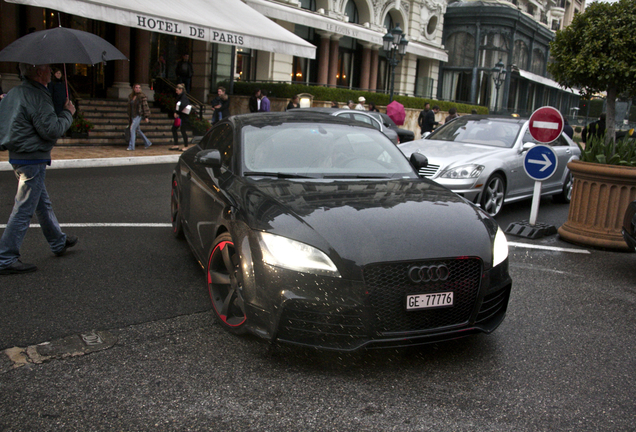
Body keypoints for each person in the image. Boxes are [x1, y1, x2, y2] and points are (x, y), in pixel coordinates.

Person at [0, 63, 77, 275]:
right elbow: (51, 130)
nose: (51, 72)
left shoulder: (14, 93)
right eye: (48, 69)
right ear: (38, 72)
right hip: (32, 158)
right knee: (24, 208)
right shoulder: (37, 95)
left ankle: (58, 241)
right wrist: (68, 113)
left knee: (42, 203)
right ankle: (5, 257)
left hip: (19, 154)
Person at [126, 84, 152, 151]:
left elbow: (145, 106)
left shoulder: (142, 96)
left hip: (138, 115)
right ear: (134, 88)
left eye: (139, 88)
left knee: (132, 129)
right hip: (132, 115)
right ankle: (147, 142)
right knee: (137, 130)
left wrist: (146, 116)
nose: (138, 89)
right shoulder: (131, 96)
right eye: (136, 87)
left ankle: (131, 146)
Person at [170, 84, 190, 151]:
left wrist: (177, 112)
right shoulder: (180, 97)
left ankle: (186, 145)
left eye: (177, 90)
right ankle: (176, 144)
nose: (176, 91)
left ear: (181, 90)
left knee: (182, 130)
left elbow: (182, 106)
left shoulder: (183, 97)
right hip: (181, 116)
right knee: (174, 129)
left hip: (183, 116)